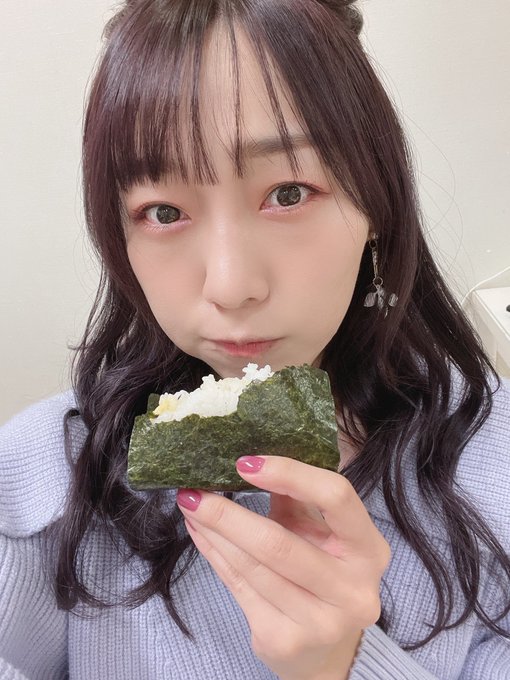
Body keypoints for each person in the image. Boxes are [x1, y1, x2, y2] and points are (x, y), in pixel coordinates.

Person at [1, 0, 509, 678]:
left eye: (289, 193)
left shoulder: (493, 468)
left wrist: (347, 665)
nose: (231, 285)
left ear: (376, 205)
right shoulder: (45, 477)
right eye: (163, 211)